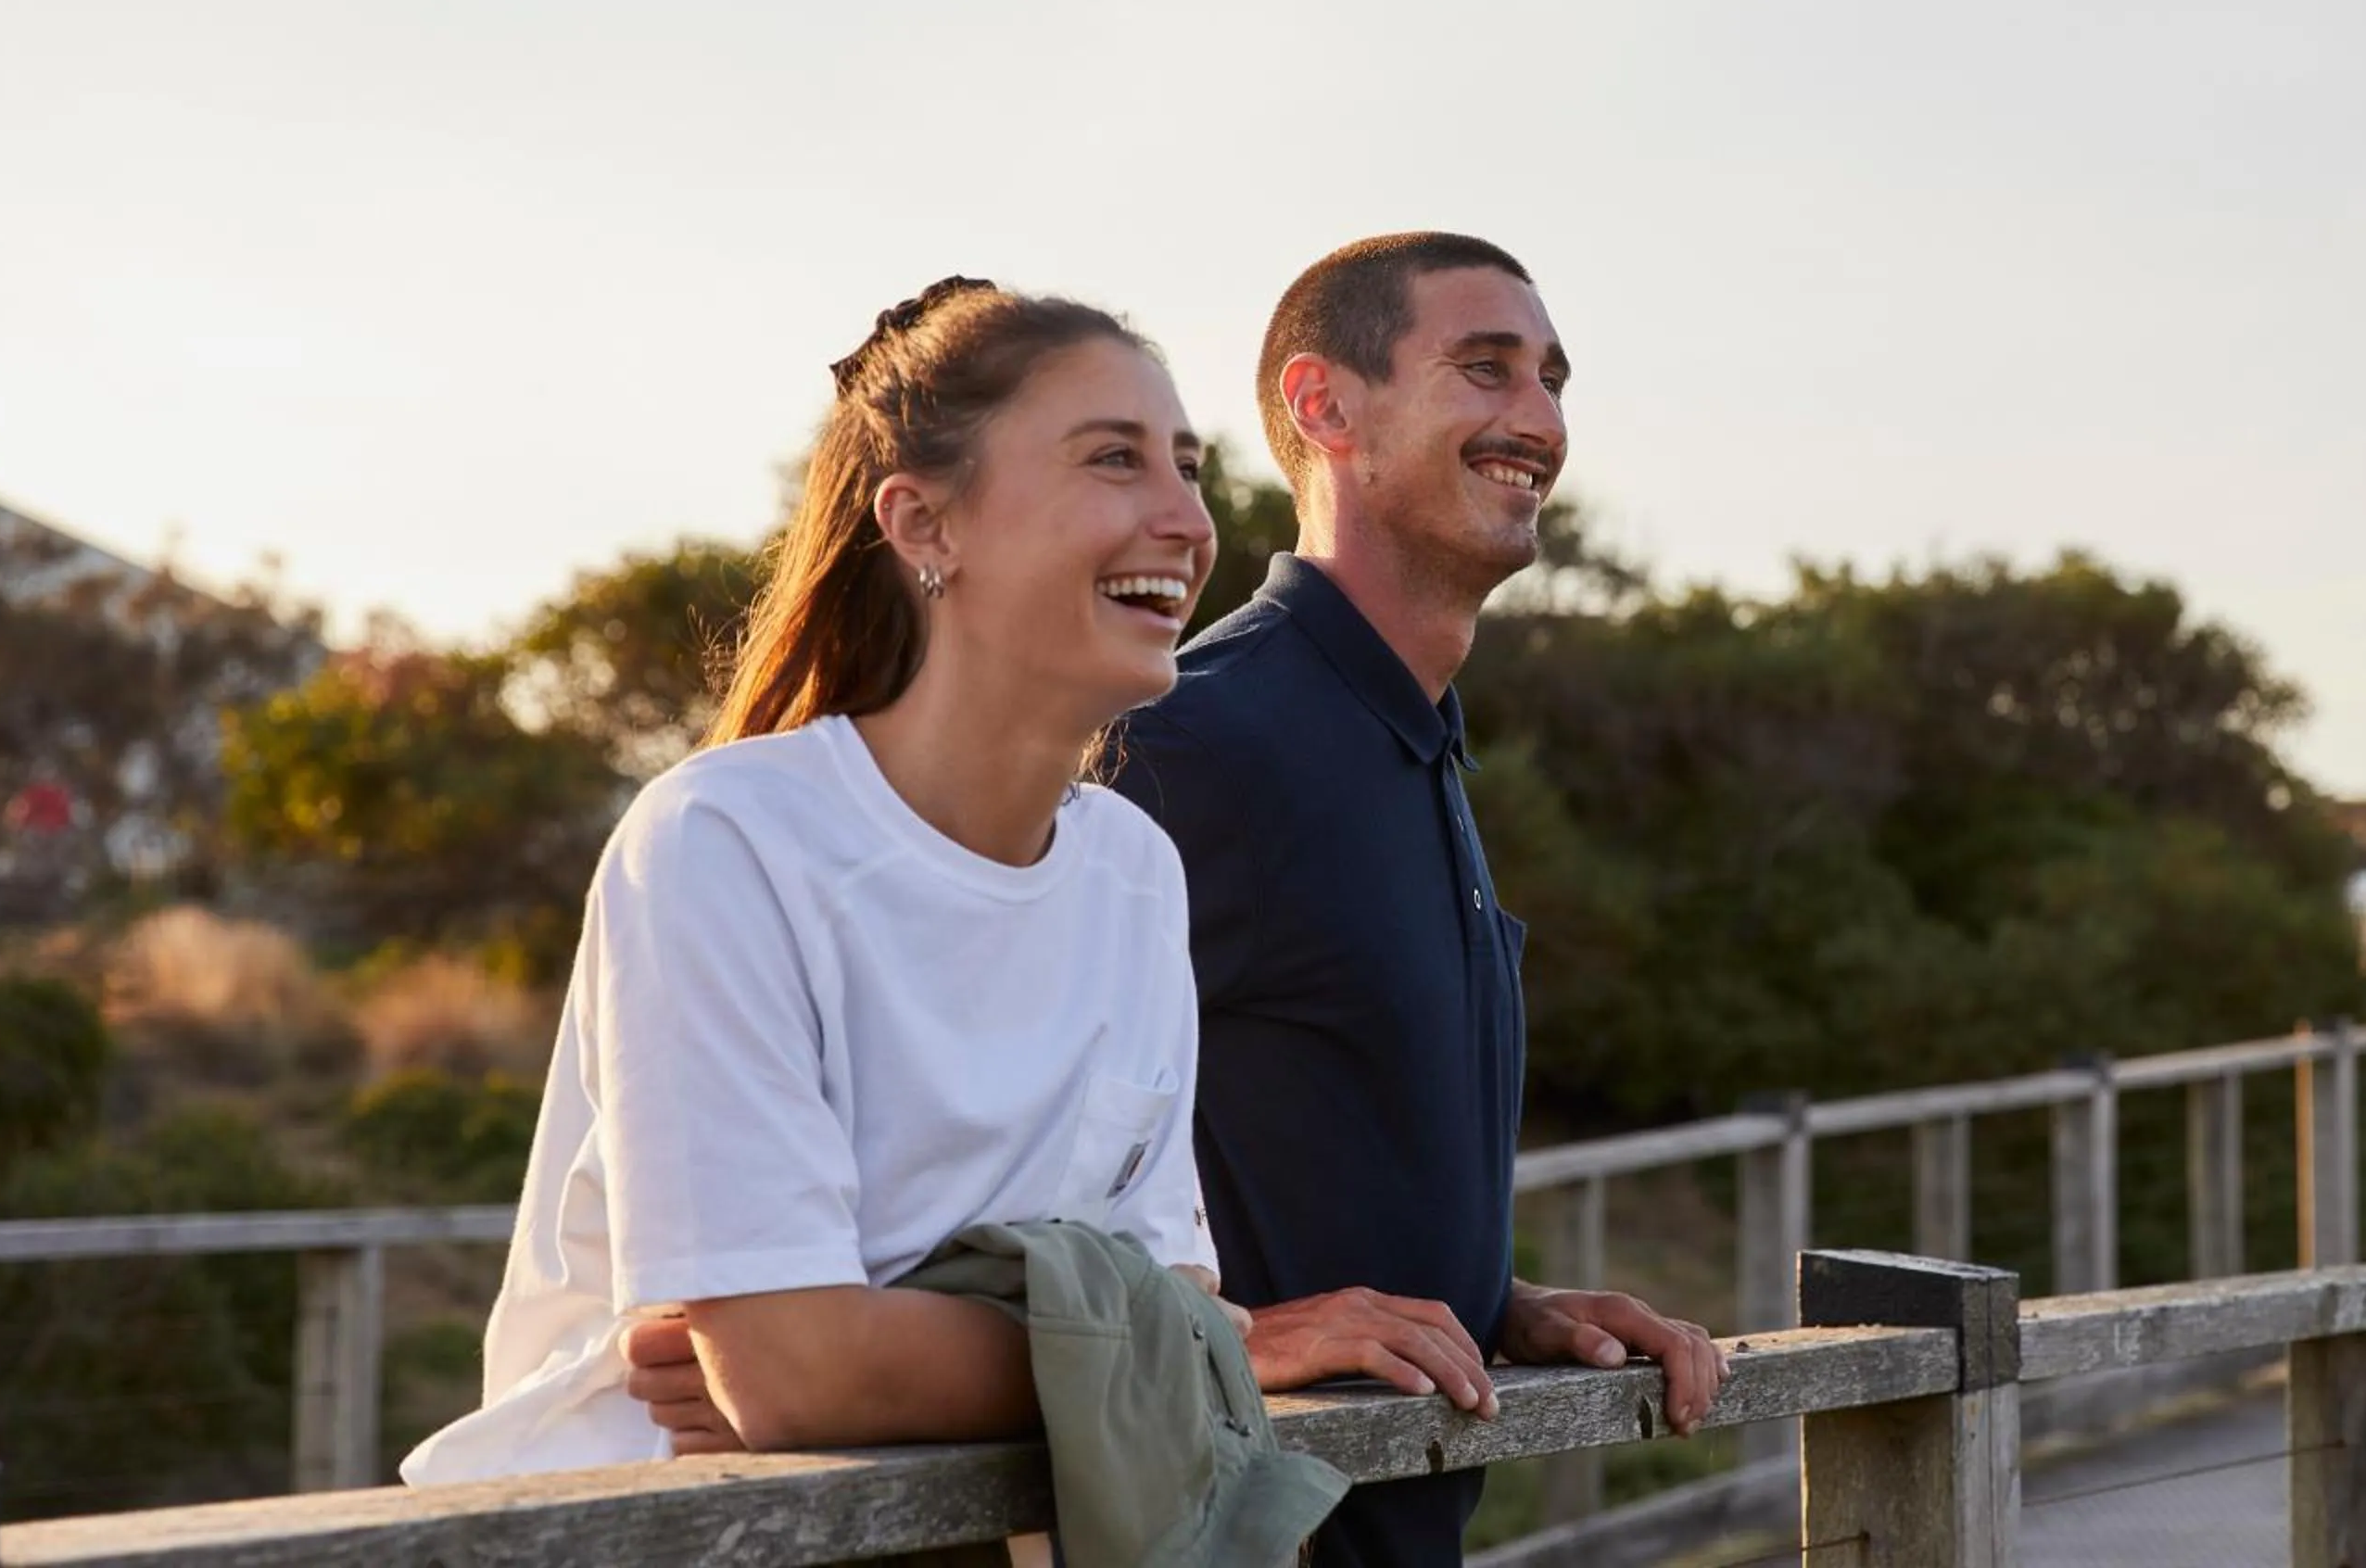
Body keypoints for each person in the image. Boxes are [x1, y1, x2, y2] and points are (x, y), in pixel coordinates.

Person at [399, 278, 1235, 1485]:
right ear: (924, 525)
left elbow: (1178, 1294)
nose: (1186, 517)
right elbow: (798, 1379)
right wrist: (1167, 1353)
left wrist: (885, 1358)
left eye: (1191, 466)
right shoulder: (723, 842)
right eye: (1115, 459)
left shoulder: (1138, 877)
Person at [1109, 233, 1728, 1566]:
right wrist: (1242, 1337)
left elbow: (1287, 1122)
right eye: (1485, 370)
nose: (1541, 420)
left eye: (1553, 379)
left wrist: (1496, 1299)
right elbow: (979, 1160)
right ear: (1324, 408)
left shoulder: (1420, 744)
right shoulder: (1196, 740)